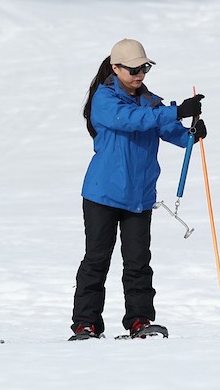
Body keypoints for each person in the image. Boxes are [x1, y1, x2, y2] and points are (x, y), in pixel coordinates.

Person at [70, 39, 206, 341]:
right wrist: (174, 112)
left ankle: (140, 321)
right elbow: (131, 121)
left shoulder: (151, 103)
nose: (140, 74)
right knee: (96, 260)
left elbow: (172, 133)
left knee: (138, 262)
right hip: (102, 194)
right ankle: (86, 324)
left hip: (139, 197)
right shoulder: (104, 100)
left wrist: (193, 134)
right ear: (115, 68)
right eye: (133, 69)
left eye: (144, 68)